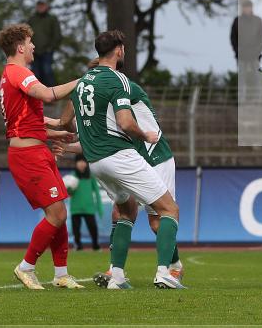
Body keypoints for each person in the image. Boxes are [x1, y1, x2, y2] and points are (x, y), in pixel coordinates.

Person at [58, 30, 183, 289]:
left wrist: (46, 131)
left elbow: (70, 123)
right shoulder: (114, 87)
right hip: (129, 154)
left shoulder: (102, 85)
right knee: (144, 210)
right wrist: (65, 145)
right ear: (119, 50)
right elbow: (115, 131)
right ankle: (148, 272)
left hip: (152, 155)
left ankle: (166, 269)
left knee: (145, 215)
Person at [0, 23, 82, 290]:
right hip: (27, 155)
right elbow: (47, 94)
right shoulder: (18, 72)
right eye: (30, 42)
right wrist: (84, 80)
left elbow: (27, 119)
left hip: (35, 150)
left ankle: (61, 275)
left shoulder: (10, 75)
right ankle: (26, 267)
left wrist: (57, 130)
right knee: (56, 213)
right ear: (20, 47)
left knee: (59, 213)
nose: (34, 46)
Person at [231, 0, 262, 100]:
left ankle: (258, 99)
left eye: (248, 7)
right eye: (244, 7)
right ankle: (241, 99)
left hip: (255, 55)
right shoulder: (237, 21)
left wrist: (258, 51)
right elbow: (233, 38)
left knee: (257, 77)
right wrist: (237, 50)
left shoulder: (258, 20)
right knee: (241, 78)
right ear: (242, 8)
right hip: (241, 55)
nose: (246, 9)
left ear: (251, 8)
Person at [67, 156, 102, 251]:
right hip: (75, 208)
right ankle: (78, 246)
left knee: (93, 228)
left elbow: (97, 193)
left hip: (89, 207)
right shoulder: (72, 176)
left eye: (83, 162)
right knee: (76, 230)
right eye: (79, 162)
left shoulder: (91, 177)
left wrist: (100, 208)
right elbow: (68, 193)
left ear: (86, 164)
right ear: (76, 164)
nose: (81, 164)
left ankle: (96, 246)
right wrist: (69, 189)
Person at [27, 0, 62, 87]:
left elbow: (57, 34)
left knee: (47, 72)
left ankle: (52, 96)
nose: (40, 8)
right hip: (34, 52)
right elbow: (27, 34)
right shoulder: (32, 19)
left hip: (47, 51)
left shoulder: (52, 19)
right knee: (35, 74)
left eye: (42, 6)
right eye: (39, 6)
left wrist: (51, 47)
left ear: (46, 7)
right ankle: (37, 97)